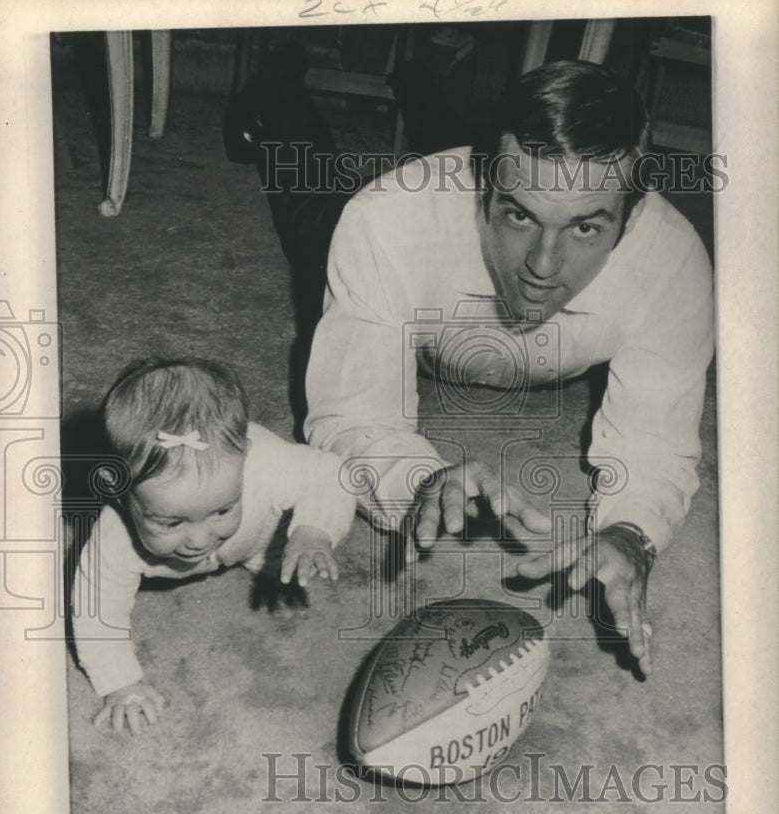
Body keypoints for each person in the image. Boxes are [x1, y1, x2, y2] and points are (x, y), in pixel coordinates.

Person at [304, 60, 715, 677]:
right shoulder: (384, 221)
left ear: (630, 220)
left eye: (584, 227)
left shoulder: (674, 262)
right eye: (518, 215)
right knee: (304, 215)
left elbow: (656, 444)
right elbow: (349, 415)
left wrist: (632, 535)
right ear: (481, 193)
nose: (543, 266)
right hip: (411, 306)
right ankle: (281, 102)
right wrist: (418, 485)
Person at [72, 358, 356, 733]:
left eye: (222, 509)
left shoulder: (267, 464)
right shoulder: (114, 537)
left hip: (259, 537)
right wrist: (120, 682)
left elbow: (330, 474)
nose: (200, 540)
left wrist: (314, 530)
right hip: (240, 533)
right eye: (171, 521)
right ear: (119, 491)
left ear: (246, 457)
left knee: (296, 557)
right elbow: (96, 611)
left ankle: (277, 535)